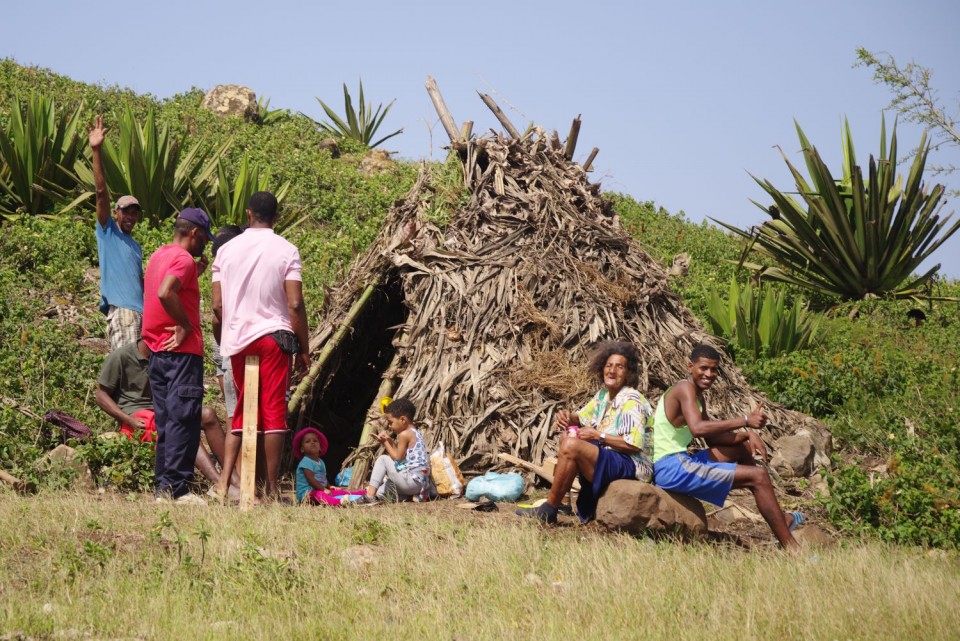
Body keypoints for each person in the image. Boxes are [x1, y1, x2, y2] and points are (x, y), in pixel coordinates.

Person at [651, 344, 803, 549]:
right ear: (689, 366)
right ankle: (791, 548)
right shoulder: (684, 389)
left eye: (714, 369)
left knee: (741, 449)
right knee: (759, 477)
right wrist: (745, 420)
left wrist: (746, 436)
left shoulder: (697, 395)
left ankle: (778, 516)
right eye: (703, 368)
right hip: (671, 468)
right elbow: (698, 429)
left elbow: (712, 439)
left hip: (681, 463)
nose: (709, 374)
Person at [211, 191, 310, 501]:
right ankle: (269, 490)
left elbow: (217, 306)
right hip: (274, 339)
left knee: (242, 411)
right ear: (276, 218)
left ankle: (228, 483)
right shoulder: (287, 249)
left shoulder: (225, 251)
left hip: (238, 342)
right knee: (273, 414)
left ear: (248, 214)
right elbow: (294, 304)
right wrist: (304, 349)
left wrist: (227, 337)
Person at [517, 341, 654, 524]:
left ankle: (549, 509)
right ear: (602, 369)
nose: (612, 371)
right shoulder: (603, 397)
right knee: (568, 437)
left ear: (628, 374)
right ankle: (563, 501)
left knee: (572, 446)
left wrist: (599, 436)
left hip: (632, 464)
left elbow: (632, 444)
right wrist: (567, 416)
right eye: (609, 366)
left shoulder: (632, 401)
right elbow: (580, 418)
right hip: (613, 456)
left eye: (619, 367)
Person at [94, 338, 240, 497]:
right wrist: (127, 419)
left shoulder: (164, 358)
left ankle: (233, 478)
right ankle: (219, 483)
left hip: (162, 410)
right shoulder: (122, 356)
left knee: (207, 414)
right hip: (136, 415)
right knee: (181, 427)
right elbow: (101, 395)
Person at [142, 208, 214, 504]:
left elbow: (168, 286)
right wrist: (186, 325)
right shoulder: (183, 259)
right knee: (183, 418)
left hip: (157, 350)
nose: (205, 247)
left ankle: (164, 486)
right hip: (182, 353)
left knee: (166, 419)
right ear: (194, 233)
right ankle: (178, 488)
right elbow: (165, 292)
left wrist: (195, 273)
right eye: (204, 240)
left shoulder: (159, 255)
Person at [88, 115, 144, 351]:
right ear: (116, 213)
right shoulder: (108, 231)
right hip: (123, 312)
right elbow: (101, 191)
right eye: (126, 212)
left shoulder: (136, 247)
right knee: (127, 373)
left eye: (134, 213)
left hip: (141, 315)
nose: (130, 217)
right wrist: (96, 151)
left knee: (137, 378)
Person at [360, 398, 432, 503]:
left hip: (412, 481)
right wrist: (391, 443)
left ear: (403, 420)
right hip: (420, 483)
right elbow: (401, 457)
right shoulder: (415, 432)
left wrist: (385, 443)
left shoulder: (404, 434)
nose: (389, 426)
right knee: (381, 491)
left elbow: (397, 459)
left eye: (390, 422)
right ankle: (406, 496)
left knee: (383, 459)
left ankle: (369, 497)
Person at [292, 427, 365, 505]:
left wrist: (329, 487)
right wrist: (323, 489)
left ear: (320, 447)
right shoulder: (305, 462)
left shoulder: (321, 462)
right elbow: (311, 480)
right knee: (320, 495)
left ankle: (362, 493)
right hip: (307, 494)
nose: (312, 443)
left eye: (315, 441)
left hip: (319, 489)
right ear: (302, 449)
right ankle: (339, 502)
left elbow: (323, 478)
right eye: (307, 441)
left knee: (339, 492)